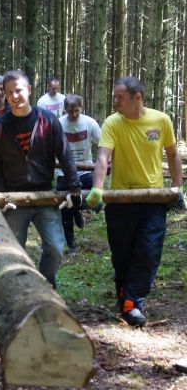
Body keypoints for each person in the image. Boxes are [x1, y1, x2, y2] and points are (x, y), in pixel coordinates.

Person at [86, 76, 184, 327]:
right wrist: (97, 189)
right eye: (114, 96)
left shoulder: (161, 120)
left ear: (137, 97)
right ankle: (125, 293)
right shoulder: (113, 122)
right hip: (121, 200)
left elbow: (172, 154)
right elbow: (103, 157)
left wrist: (177, 188)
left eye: (120, 97)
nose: (115, 101)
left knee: (148, 250)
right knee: (123, 252)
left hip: (153, 199)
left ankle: (132, 302)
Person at [0, 70, 81, 287]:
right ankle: (20, 290)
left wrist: (74, 187)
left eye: (18, 90)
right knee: (13, 250)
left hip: (45, 194)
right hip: (13, 199)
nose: (14, 96)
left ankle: (46, 286)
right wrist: (1, 196)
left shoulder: (48, 121)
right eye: (9, 92)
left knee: (55, 248)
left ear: (29, 90)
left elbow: (64, 154)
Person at [56, 94, 101, 252]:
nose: (74, 114)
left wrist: (106, 160)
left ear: (81, 108)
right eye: (70, 111)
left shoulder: (89, 122)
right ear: (65, 109)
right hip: (64, 172)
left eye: (77, 111)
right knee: (64, 206)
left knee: (94, 191)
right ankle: (71, 243)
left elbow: (103, 143)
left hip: (85, 170)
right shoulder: (59, 124)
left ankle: (78, 209)